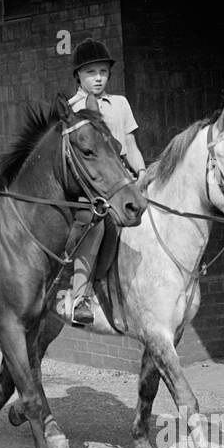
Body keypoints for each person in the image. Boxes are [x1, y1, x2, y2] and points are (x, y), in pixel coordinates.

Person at [56, 39, 146, 326]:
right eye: (91, 72)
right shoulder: (71, 110)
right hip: (88, 188)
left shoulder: (119, 104)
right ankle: (83, 295)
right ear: (78, 77)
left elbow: (129, 143)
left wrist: (141, 172)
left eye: (103, 72)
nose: (98, 78)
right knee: (97, 227)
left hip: (119, 179)